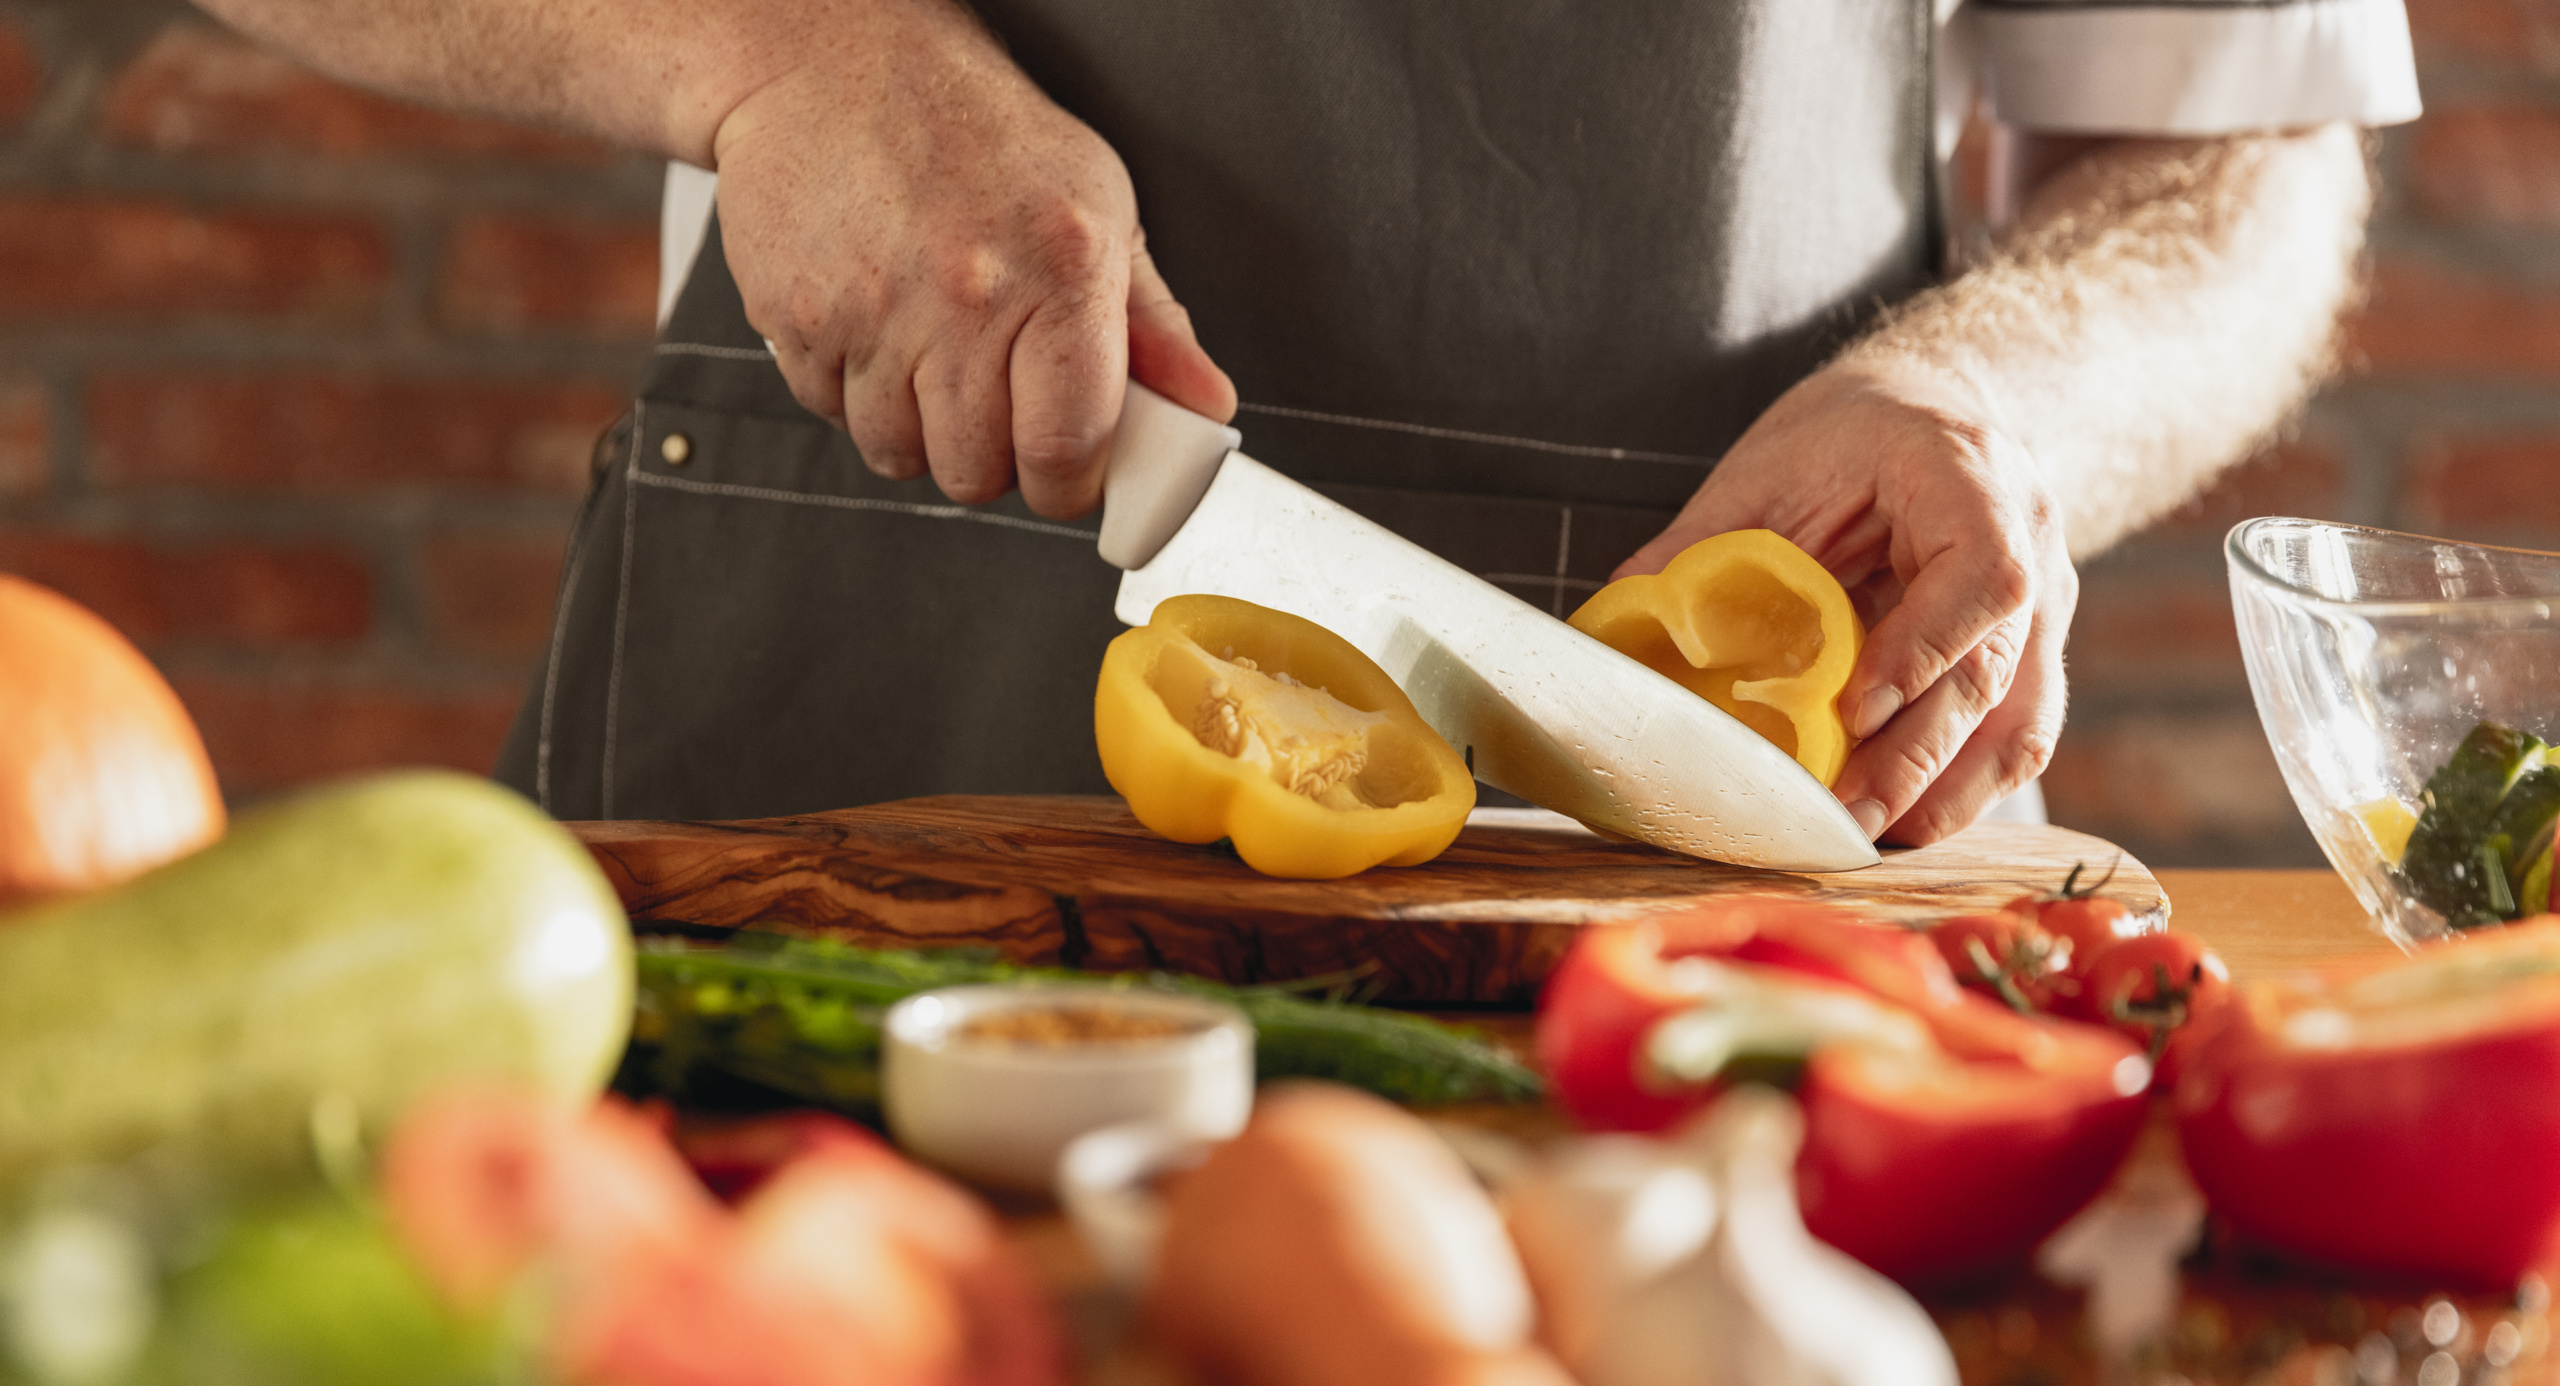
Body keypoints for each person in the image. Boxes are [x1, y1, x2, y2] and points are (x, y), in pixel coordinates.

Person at [199, 0, 2417, 841]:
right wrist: (767, 49)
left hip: (1709, 897)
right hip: (828, 791)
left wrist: (1990, 393)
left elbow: (2233, 147)